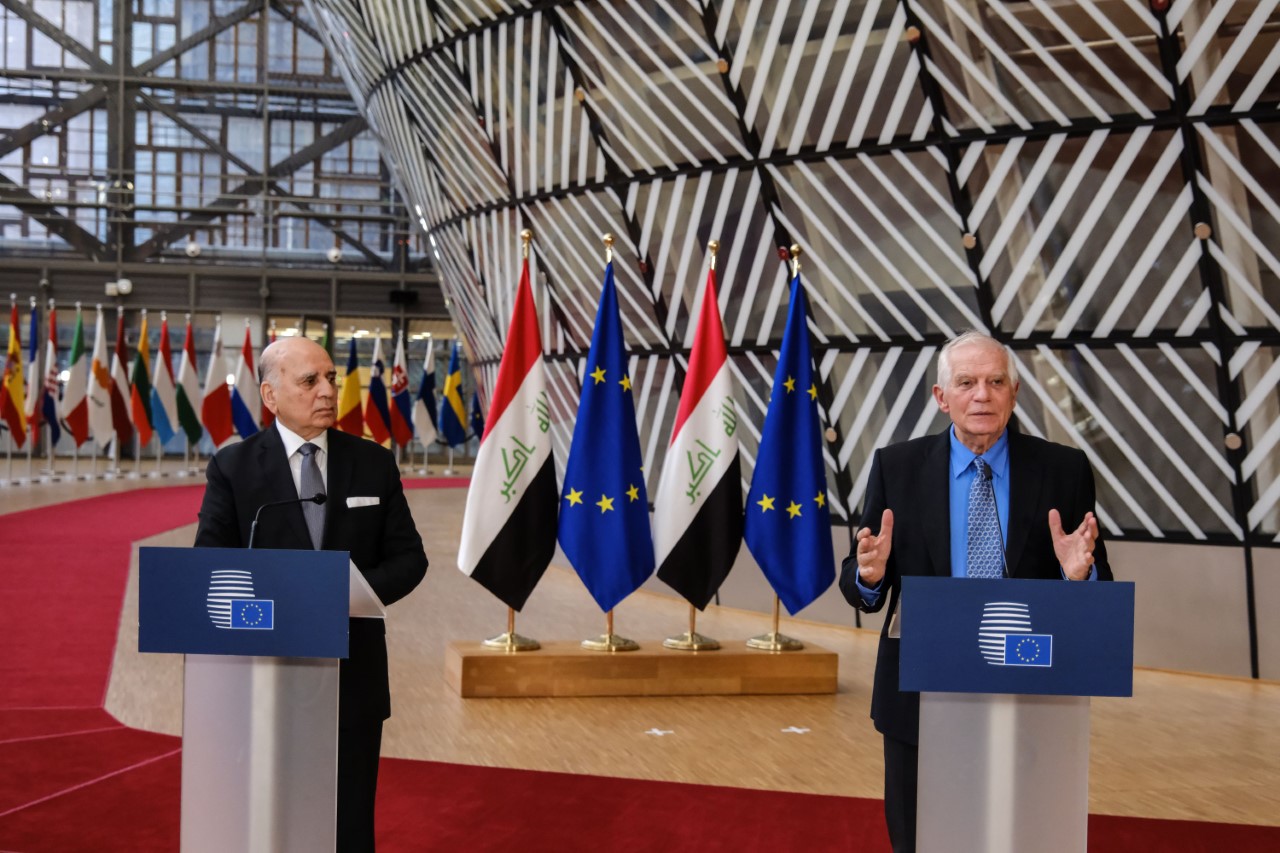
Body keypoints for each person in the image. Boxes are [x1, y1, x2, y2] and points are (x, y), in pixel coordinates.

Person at [839, 330, 1112, 853]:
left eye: (995, 382)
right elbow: (862, 575)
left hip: (1028, 694)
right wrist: (869, 576)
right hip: (918, 688)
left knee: (1021, 836)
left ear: (1014, 393)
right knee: (918, 837)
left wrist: (1079, 576)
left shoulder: (1063, 469)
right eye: (966, 383)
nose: (981, 395)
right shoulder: (897, 466)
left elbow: (1096, 589)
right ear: (942, 398)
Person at [195, 334, 428, 852]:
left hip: (353, 678)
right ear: (270, 395)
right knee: (268, 818)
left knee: (347, 823)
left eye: (331, 379)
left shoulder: (373, 463)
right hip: (262, 678)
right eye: (309, 381)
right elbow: (212, 569)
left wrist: (342, 594)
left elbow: (411, 560)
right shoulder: (232, 469)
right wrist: (278, 608)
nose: (327, 391)